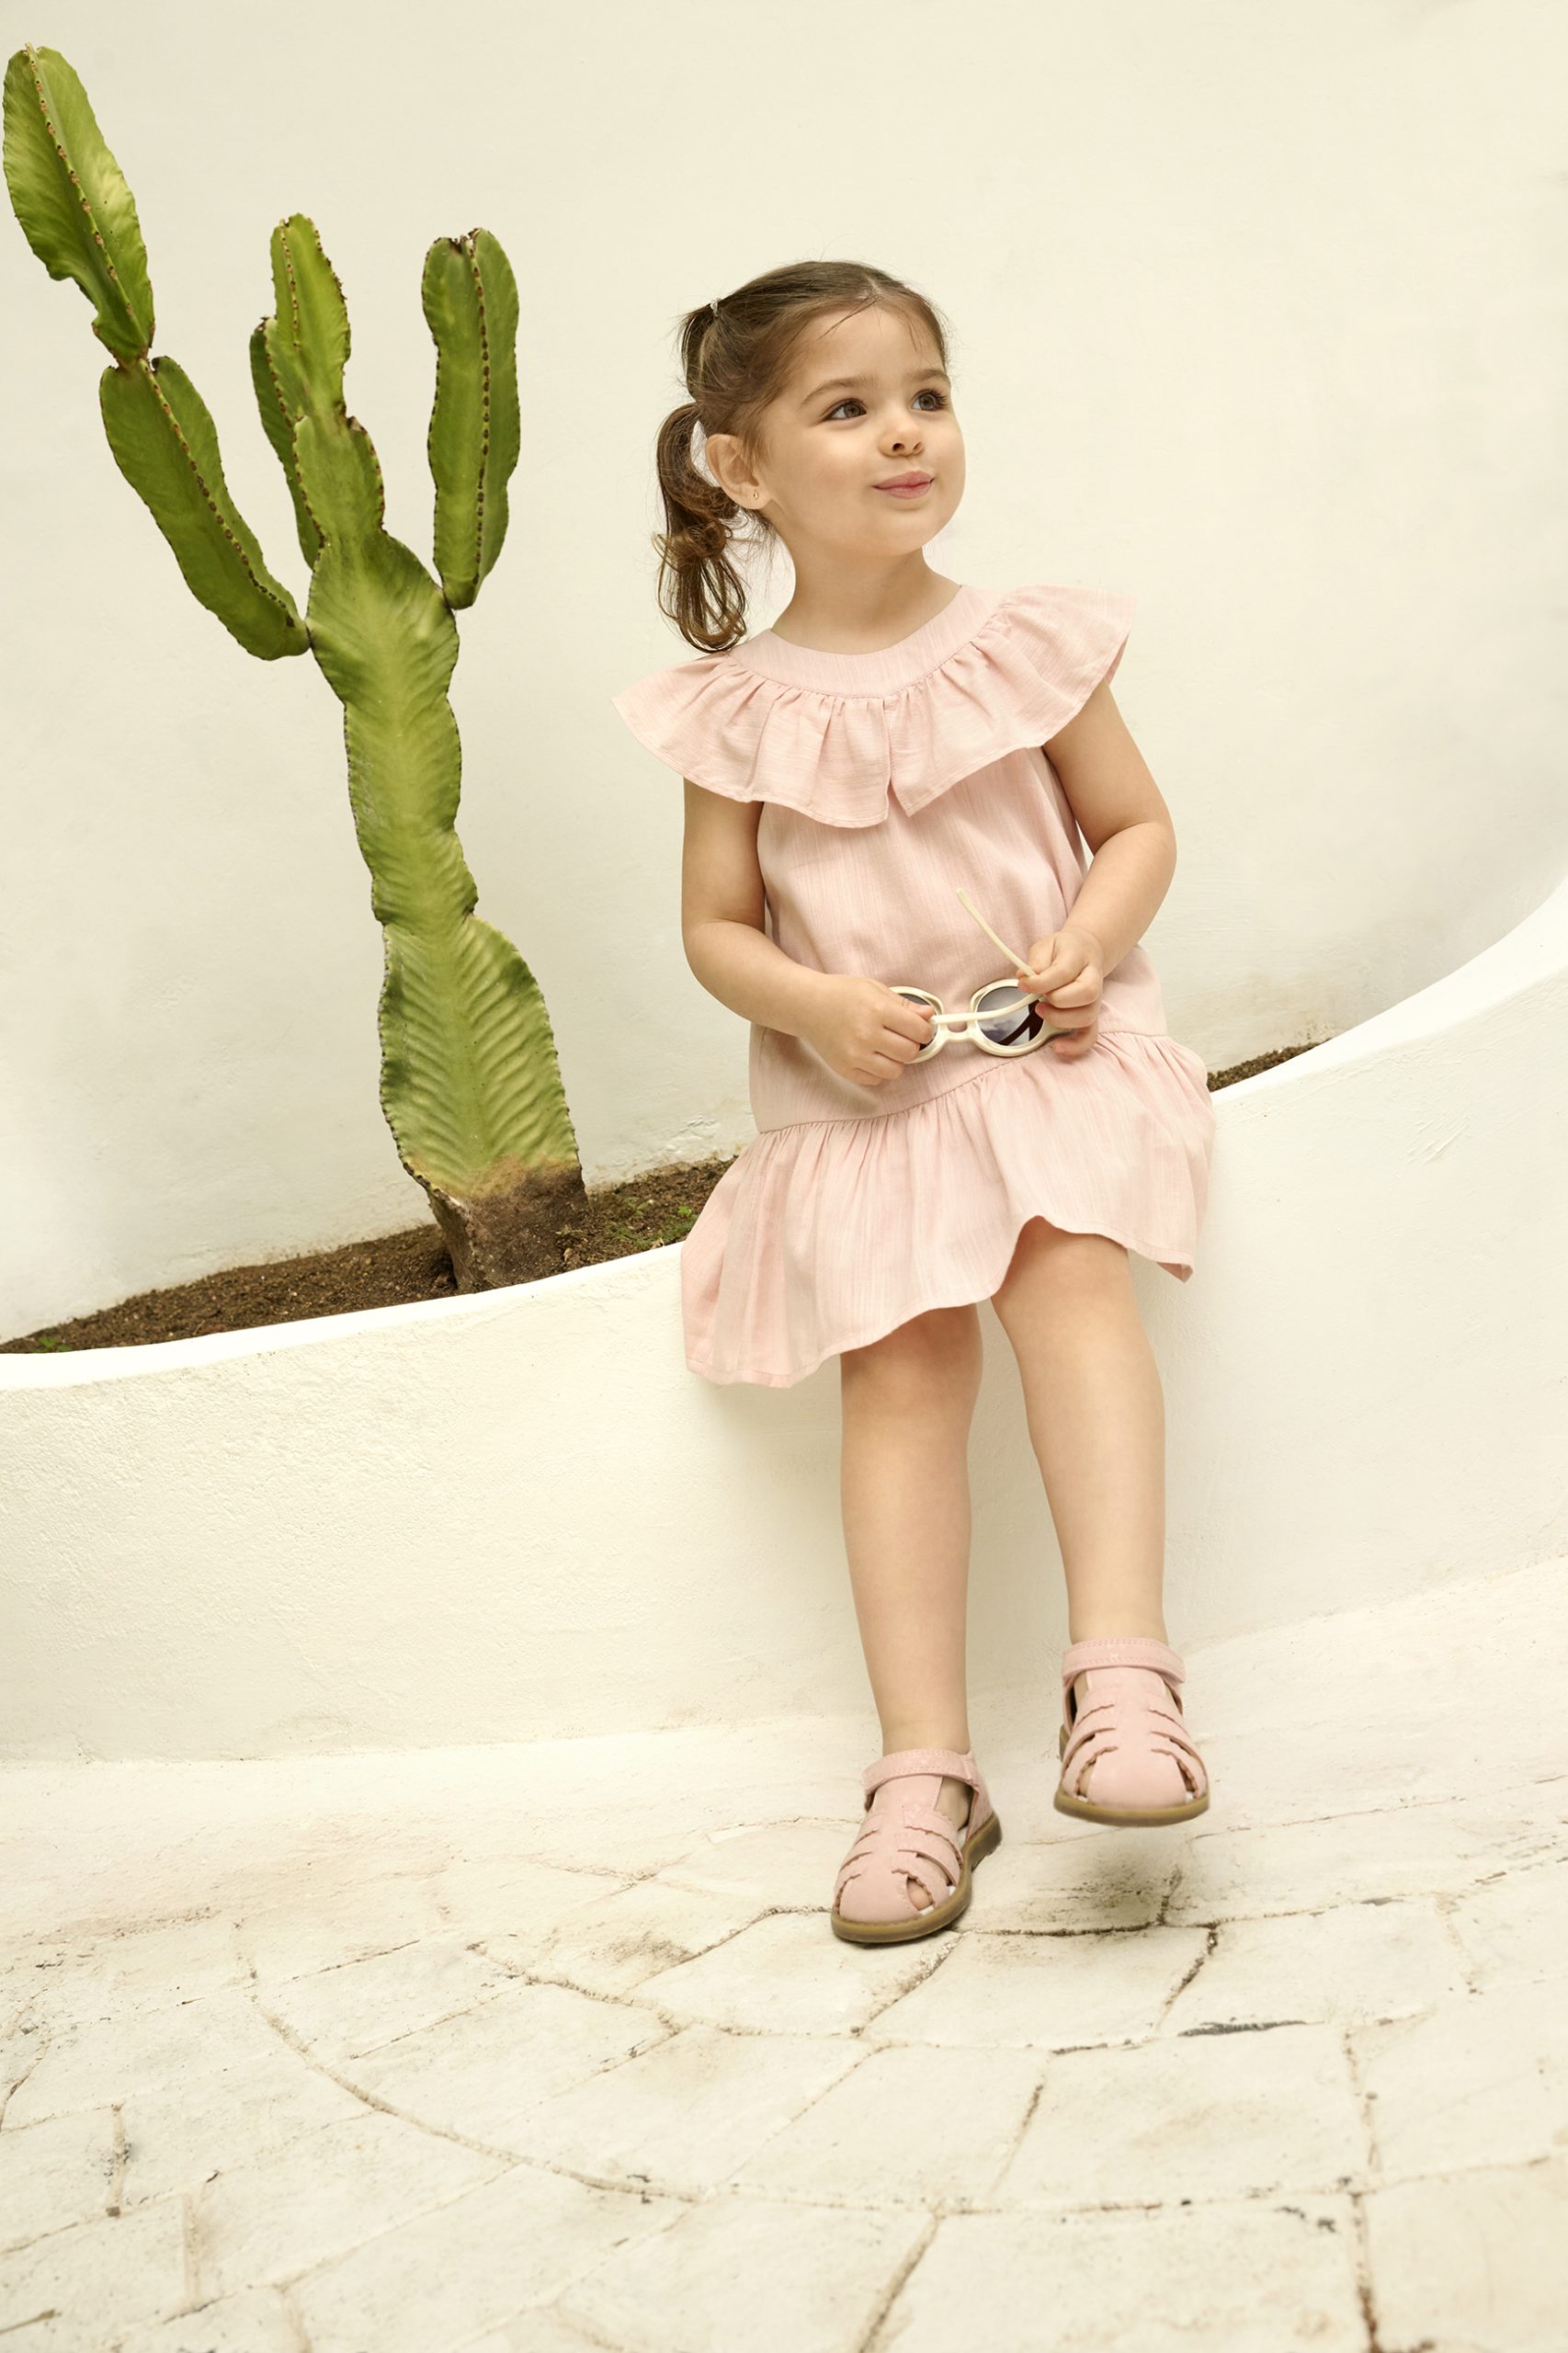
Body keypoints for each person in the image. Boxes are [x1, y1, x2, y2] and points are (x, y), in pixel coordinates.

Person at [610, 260, 1217, 1948]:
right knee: (898, 1376)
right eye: (848, 407)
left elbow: (1135, 828)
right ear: (742, 467)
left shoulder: (1023, 644)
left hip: (1043, 1060)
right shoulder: (732, 713)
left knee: (1068, 1277)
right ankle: (923, 1774)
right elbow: (716, 930)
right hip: (869, 1110)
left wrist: (1086, 939)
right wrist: (815, 1007)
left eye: (925, 397)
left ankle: (1124, 1680)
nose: (904, 435)